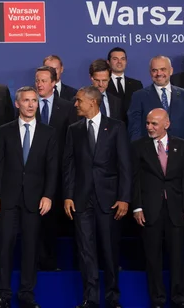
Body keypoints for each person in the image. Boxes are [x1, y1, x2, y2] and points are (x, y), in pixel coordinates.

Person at [63, 86, 132, 308]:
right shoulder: (74, 129)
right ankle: (90, 299)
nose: (76, 104)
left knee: (110, 251)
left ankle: (112, 298)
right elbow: (69, 165)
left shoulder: (116, 127)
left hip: (109, 199)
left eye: (79, 101)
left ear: (92, 102)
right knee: (86, 251)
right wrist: (68, 196)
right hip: (82, 199)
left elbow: (125, 166)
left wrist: (124, 197)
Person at [0, 86, 57, 308]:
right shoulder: (5, 130)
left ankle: (27, 294)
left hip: (35, 199)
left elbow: (52, 168)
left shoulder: (49, 132)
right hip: (8, 198)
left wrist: (48, 195)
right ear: (17, 104)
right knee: (5, 247)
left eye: (34, 101)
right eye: (26, 101)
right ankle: (2, 295)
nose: (31, 105)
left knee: (31, 248)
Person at [131, 108, 184, 308]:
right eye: (147, 123)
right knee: (153, 258)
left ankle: (178, 299)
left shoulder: (182, 147)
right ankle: (157, 300)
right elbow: (135, 180)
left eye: (154, 124)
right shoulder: (138, 147)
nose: (149, 127)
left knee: (177, 257)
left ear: (167, 124)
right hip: (150, 209)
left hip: (176, 209)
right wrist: (137, 207)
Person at [33, 65, 77, 271]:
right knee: (37, 220)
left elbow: (72, 141)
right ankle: (40, 260)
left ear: (53, 83)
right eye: (37, 80)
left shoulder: (68, 107)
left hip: (60, 172)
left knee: (56, 220)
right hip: (34, 173)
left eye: (43, 81)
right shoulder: (28, 105)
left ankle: (56, 261)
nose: (39, 84)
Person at [127, 56, 184, 161]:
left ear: (171, 71)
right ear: (150, 73)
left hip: (180, 156)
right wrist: (137, 157)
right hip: (150, 158)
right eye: (154, 70)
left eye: (163, 69)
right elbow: (135, 130)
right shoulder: (139, 96)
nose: (159, 73)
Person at [106, 47, 143, 116]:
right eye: (115, 59)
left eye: (122, 59)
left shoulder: (136, 85)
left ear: (126, 62)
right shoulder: (103, 84)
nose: (119, 62)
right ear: (108, 62)